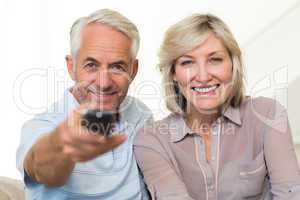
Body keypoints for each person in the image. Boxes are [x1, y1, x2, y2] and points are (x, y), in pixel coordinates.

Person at [134, 13, 300, 200]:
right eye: (187, 62)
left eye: (215, 60)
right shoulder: (151, 140)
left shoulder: (268, 115)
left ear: (232, 64)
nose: (203, 76)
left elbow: (291, 194)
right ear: (173, 72)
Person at [16, 9, 152, 199]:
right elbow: (42, 168)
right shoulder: (43, 126)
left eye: (117, 67)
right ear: (71, 67)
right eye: (91, 65)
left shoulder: (140, 114)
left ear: (133, 70)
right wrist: (62, 143)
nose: (104, 83)